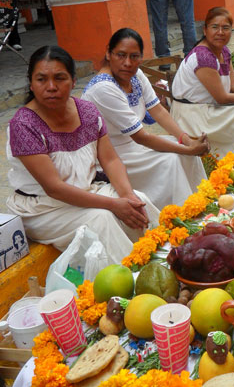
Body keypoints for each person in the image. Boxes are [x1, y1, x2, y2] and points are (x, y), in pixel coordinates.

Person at [6, 46, 159, 258]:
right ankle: (134, 281)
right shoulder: (23, 125)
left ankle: (170, 263)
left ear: (74, 81)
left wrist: (127, 196)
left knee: (139, 202)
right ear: (31, 84)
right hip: (43, 208)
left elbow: (111, 160)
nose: (51, 87)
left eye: (60, 78)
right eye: (41, 79)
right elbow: (55, 188)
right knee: (101, 220)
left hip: (87, 192)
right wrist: (115, 204)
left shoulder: (87, 111)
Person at [82, 28, 209, 209]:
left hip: (134, 147)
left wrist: (187, 141)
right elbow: (141, 137)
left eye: (134, 57)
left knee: (184, 151)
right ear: (108, 53)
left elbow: (158, 110)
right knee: (172, 160)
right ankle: (178, 214)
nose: (127, 63)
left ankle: (202, 203)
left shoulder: (135, 74)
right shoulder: (103, 88)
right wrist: (189, 149)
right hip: (111, 156)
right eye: (120, 55)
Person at [170, 7, 234, 157]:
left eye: (225, 28)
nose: (220, 32)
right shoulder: (203, 56)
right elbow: (222, 98)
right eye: (215, 27)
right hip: (192, 115)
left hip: (208, 109)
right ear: (205, 30)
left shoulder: (223, 51)